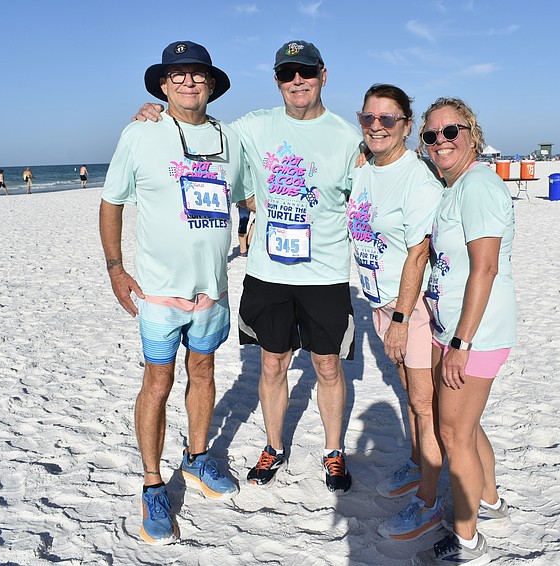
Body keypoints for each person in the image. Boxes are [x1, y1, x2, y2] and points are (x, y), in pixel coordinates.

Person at [133, 39, 362, 494]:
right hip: (268, 273)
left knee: (328, 366)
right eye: (287, 73)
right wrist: (155, 112)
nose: (298, 80)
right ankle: (274, 446)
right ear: (277, 81)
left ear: (323, 75)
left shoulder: (347, 136)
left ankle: (333, 451)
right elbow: (199, 130)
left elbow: (365, 201)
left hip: (326, 274)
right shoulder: (251, 128)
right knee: (272, 365)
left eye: (306, 71)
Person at [99, 40, 245, 545]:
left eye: (197, 74)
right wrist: (115, 268)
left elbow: (252, 193)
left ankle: (197, 459)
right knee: (157, 382)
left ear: (212, 84)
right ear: (163, 85)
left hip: (213, 290)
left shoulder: (230, 137)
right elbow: (112, 201)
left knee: (203, 370)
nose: (188, 82)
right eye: (177, 75)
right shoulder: (141, 132)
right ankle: (152, 484)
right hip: (159, 292)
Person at [413, 98, 516, 566]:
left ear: (472, 134)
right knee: (465, 426)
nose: (441, 141)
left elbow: (485, 268)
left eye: (451, 131)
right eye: (431, 135)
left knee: (453, 434)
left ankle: (467, 540)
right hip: (450, 328)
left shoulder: (478, 185)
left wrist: (461, 343)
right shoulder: (452, 186)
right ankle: (489, 501)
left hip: (474, 334)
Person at [346, 84, 444, 540]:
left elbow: (418, 253)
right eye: (368, 118)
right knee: (408, 391)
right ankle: (417, 463)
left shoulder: (416, 178)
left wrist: (401, 320)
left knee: (424, 404)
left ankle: (429, 503)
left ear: (406, 125)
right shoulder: (364, 166)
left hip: (411, 307)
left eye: (388, 119)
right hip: (380, 302)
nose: (377, 126)